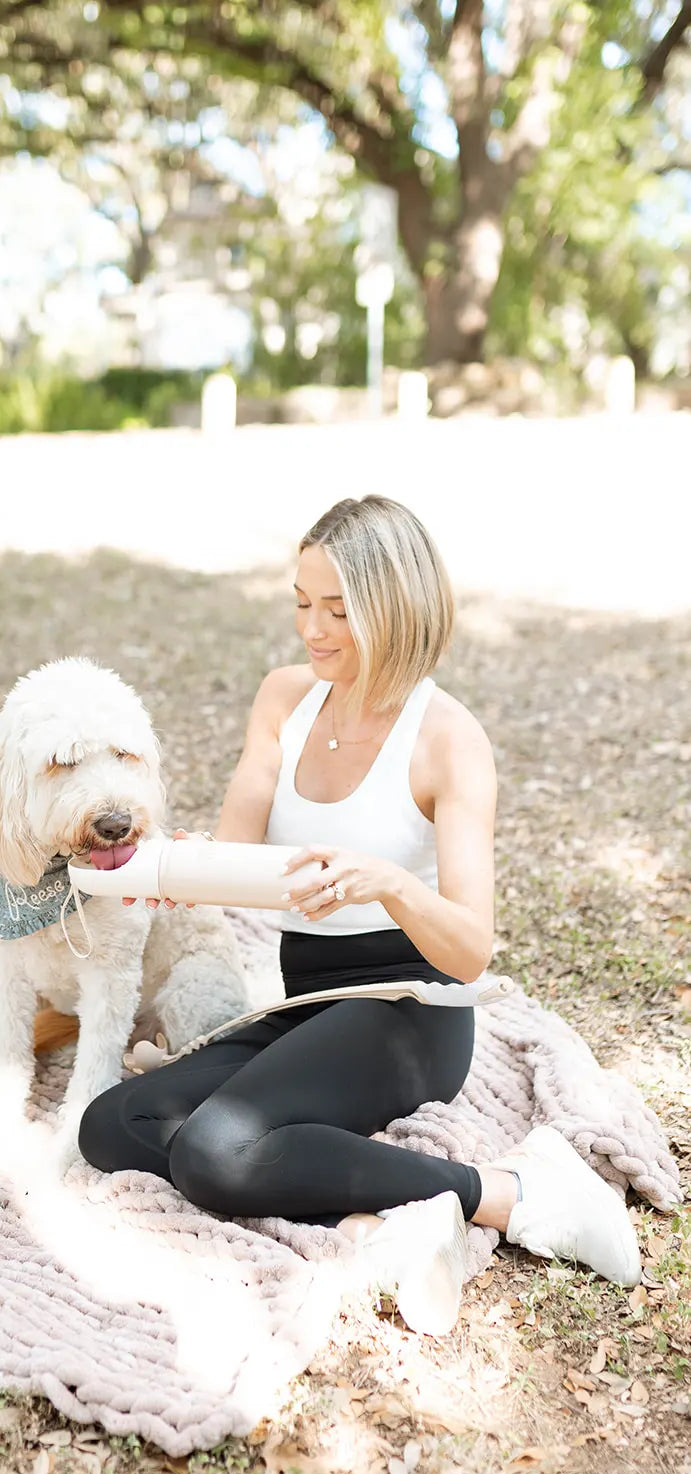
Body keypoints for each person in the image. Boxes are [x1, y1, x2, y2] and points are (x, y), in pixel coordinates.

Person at [78, 495, 641, 1335]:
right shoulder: (283, 700)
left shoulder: (448, 739)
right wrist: (163, 866)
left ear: (394, 607)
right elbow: (233, 862)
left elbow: (471, 948)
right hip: (305, 1005)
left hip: (409, 1009)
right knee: (113, 1123)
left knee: (211, 1150)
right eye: (301, 604)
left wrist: (389, 884)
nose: (313, 629)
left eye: (338, 610)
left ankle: (510, 1193)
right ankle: (371, 1219)